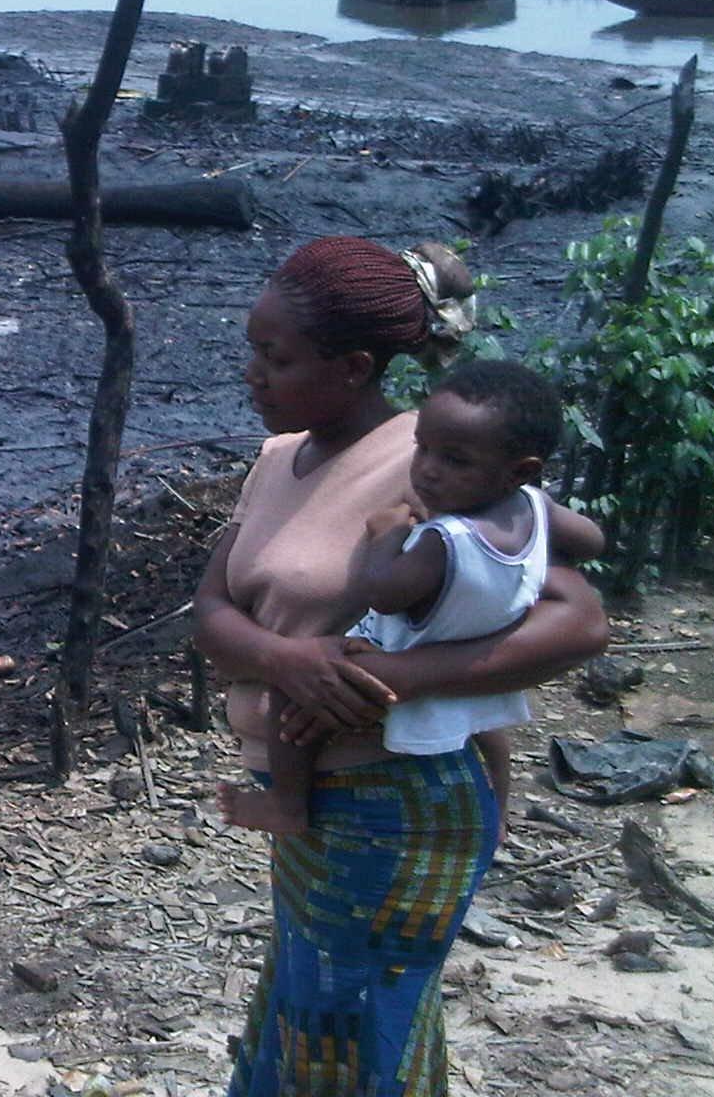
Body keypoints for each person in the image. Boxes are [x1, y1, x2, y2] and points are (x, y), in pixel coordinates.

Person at [192, 235, 608, 1097]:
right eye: (252, 352)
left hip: (396, 793)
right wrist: (289, 658)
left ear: (353, 366)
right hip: (307, 789)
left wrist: (406, 676)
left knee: (352, 1021)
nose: (253, 375)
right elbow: (212, 611)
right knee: (312, 1009)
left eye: (275, 357)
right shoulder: (279, 459)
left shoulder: (438, 462)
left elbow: (580, 618)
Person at [216, 358, 606, 840]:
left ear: (518, 471)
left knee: (293, 695)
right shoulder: (534, 507)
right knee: (485, 730)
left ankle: (287, 805)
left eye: (454, 461)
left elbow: (384, 593)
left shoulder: (444, 541)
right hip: (474, 640)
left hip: (398, 649)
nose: (426, 471)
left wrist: (385, 534)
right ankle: (497, 807)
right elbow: (591, 541)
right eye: (422, 449)